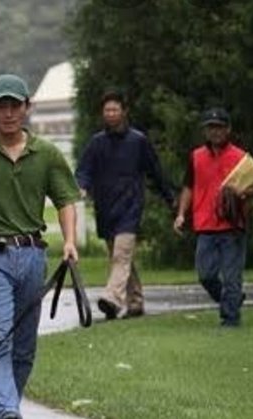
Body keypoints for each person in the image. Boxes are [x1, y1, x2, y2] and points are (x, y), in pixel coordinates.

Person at [0, 74, 80, 419]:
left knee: (24, 347)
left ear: (27, 108)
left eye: (15, 105)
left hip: (32, 256)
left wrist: (70, 241)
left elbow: (65, 200)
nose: (9, 112)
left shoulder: (46, 153)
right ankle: (5, 412)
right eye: (2, 106)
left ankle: (4, 406)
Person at [74, 91, 175, 320]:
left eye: (115, 109)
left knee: (121, 255)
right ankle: (136, 302)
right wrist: (80, 186)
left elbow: (155, 172)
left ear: (124, 112)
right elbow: (84, 170)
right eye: (107, 110)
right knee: (121, 257)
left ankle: (112, 299)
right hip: (106, 208)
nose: (110, 114)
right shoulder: (97, 143)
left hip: (131, 206)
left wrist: (170, 198)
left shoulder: (137, 141)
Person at [173, 107, 253, 327]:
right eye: (211, 127)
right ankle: (232, 301)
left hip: (233, 224)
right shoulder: (196, 156)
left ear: (228, 129)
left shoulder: (241, 158)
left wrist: (245, 193)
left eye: (219, 127)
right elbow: (188, 187)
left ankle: (230, 319)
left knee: (231, 277)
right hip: (205, 224)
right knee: (206, 275)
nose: (215, 132)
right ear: (205, 131)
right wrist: (181, 214)